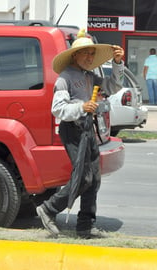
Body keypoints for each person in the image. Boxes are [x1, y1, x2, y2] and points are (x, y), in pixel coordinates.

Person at [36, 29, 124, 239]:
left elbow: (113, 86)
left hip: (86, 129)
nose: (90, 58)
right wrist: (82, 107)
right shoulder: (64, 78)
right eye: (86, 53)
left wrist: (118, 64)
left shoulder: (89, 76)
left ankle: (85, 226)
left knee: (94, 178)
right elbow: (58, 110)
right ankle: (48, 208)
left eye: (92, 54)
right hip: (72, 130)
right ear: (75, 55)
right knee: (83, 177)